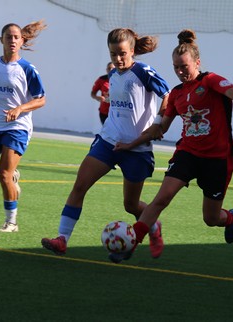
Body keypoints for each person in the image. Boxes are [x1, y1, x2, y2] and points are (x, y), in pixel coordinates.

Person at [110, 29, 233, 263]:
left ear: (197, 62)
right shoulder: (176, 94)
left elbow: (230, 90)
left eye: (184, 66)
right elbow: (160, 128)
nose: (180, 72)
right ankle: (131, 244)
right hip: (188, 154)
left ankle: (230, 218)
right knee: (161, 198)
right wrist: (131, 144)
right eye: (176, 67)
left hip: (217, 158)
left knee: (211, 218)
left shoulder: (210, 80)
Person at [41, 28, 171, 256]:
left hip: (137, 149)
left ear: (132, 50)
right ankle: (62, 239)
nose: (118, 59)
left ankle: (153, 225)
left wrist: (158, 124)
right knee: (80, 186)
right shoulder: (112, 75)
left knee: (131, 205)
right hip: (108, 142)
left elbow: (169, 95)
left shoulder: (144, 71)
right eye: (113, 54)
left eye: (122, 53)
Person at [0, 21, 47, 232]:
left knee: (4, 173)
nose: (12, 40)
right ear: (1, 40)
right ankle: (12, 180)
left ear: (22, 41)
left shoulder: (27, 69)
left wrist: (20, 109)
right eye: (8, 37)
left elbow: (41, 99)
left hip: (18, 127)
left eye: (16, 37)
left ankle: (11, 222)